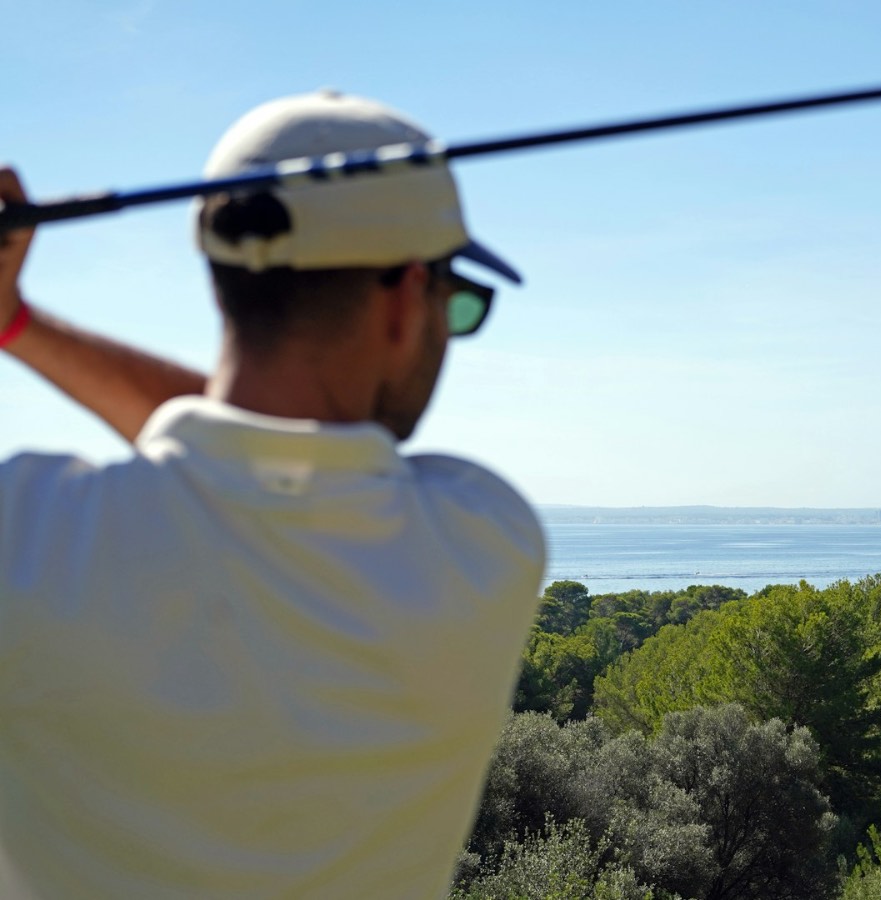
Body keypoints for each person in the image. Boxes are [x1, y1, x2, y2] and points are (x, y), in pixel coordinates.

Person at [0, 91, 545, 899]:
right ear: (403, 302)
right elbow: (274, 448)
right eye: (455, 303)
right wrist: (15, 321)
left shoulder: (26, 532)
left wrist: (11, 320)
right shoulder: (487, 541)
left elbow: (246, 443)